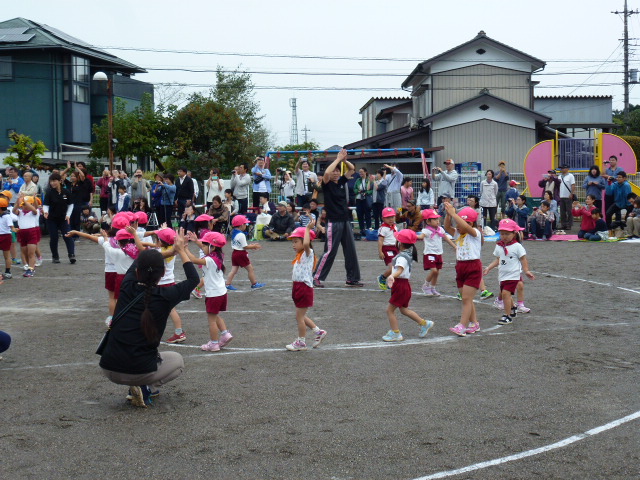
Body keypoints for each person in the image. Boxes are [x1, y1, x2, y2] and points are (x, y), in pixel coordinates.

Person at [99, 233, 199, 408]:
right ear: (162, 274)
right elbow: (194, 279)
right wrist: (180, 250)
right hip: (139, 370)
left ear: (138, 272)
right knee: (177, 361)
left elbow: (141, 262)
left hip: (109, 367)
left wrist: (170, 252)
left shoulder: (127, 285)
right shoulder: (166, 296)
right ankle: (146, 388)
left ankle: (140, 387)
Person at [312, 149, 362, 288]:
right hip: (333, 221)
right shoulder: (326, 184)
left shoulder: (341, 181)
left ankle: (352, 278)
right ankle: (316, 277)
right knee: (330, 251)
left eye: (337, 170)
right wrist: (337, 159)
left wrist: (344, 160)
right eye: (334, 170)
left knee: (350, 250)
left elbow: (352, 169)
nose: (335, 172)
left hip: (345, 220)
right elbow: (327, 173)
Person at [381, 229, 434, 342]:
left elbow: (400, 269)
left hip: (400, 285)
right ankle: (424, 323)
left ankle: (396, 333)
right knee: (403, 309)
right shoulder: (407, 254)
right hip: (403, 286)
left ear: (400, 243)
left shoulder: (402, 257)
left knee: (390, 310)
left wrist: (392, 276)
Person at [284, 223, 328, 351]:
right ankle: (319, 332)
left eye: (296, 241)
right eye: (293, 242)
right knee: (301, 316)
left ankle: (301, 342)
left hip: (304, 288)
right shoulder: (300, 255)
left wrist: (308, 229)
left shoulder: (308, 253)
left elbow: (306, 245)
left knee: (299, 317)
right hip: (298, 287)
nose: (293, 244)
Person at [483, 219, 535, 325]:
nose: (504, 236)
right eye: (502, 234)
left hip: (513, 275)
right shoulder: (499, 246)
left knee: (506, 294)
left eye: (507, 234)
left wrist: (526, 270)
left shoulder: (517, 246)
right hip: (502, 275)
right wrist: (489, 267)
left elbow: (523, 259)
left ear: (514, 234)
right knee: (505, 294)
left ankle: (507, 316)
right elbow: (498, 259)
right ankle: (514, 308)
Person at [443, 204, 483, 337]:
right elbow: (447, 227)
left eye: (463, 222)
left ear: (471, 223)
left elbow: (466, 227)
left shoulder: (475, 233)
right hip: (460, 267)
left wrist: (454, 214)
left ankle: (462, 325)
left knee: (466, 298)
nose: (459, 226)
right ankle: (474, 323)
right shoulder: (458, 233)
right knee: (467, 299)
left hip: (473, 267)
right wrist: (449, 215)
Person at [417, 208, 457, 296]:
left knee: (437, 272)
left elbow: (446, 238)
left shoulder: (440, 230)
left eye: (437, 219)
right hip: (429, 253)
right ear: (428, 221)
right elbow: (421, 236)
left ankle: (433, 287)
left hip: (438, 253)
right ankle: (426, 285)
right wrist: (413, 236)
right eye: (434, 219)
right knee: (434, 271)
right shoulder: (426, 230)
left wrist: (455, 246)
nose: (437, 221)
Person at [225, 215, 265, 290]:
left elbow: (241, 245)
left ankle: (227, 284)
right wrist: (253, 246)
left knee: (233, 270)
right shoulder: (241, 235)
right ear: (241, 225)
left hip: (235, 253)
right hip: (241, 254)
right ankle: (254, 283)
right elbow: (245, 247)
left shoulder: (234, 232)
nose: (246, 226)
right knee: (250, 269)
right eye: (245, 224)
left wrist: (251, 246)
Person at [43, 173, 75, 264]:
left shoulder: (66, 192)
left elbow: (71, 204)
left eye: (54, 181)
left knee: (68, 236)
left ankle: (71, 254)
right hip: (51, 219)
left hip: (63, 218)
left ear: (60, 181)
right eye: (51, 181)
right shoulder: (49, 193)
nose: (52, 183)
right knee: (54, 237)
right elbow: (45, 205)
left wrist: (68, 215)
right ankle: (55, 256)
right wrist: (46, 212)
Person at [13, 194, 41, 277]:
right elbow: (14, 210)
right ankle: (30, 267)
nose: (24, 207)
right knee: (25, 252)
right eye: (23, 205)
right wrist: (18, 201)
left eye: (25, 205)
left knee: (31, 253)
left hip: (31, 233)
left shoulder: (33, 213)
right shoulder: (20, 213)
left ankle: (31, 269)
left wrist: (27, 201)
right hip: (22, 233)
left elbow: (34, 209)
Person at [376, 207, 398, 290]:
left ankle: (391, 281)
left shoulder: (394, 227)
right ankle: (382, 277)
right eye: (388, 217)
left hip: (395, 248)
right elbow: (380, 241)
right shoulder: (383, 229)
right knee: (392, 267)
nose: (391, 219)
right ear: (383, 218)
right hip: (387, 249)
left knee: (398, 267)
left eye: (392, 217)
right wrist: (380, 251)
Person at [354, 168, 373, 232]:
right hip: (359, 199)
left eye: (362, 172)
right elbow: (354, 189)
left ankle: (368, 229)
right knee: (359, 214)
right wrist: (358, 191)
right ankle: (362, 229)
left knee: (367, 214)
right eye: (359, 172)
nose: (360, 173)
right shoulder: (358, 180)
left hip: (366, 199)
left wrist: (366, 192)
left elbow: (372, 190)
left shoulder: (369, 180)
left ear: (365, 172)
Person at [558, 164, 576, 230]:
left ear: (567, 169)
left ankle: (569, 225)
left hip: (568, 196)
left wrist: (572, 193)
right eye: (561, 168)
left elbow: (573, 185)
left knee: (569, 211)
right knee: (562, 212)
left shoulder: (571, 176)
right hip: (561, 196)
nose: (562, 169)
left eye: (563, 168)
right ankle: (563, 224)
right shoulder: (559, 176)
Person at [0, 198, 14, 279]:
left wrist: (14, 229)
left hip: (5, 236)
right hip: (3, 235)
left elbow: (11, 227)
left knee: (7, 255)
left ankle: (8, 272)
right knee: (6, 255)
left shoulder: (7, 216)